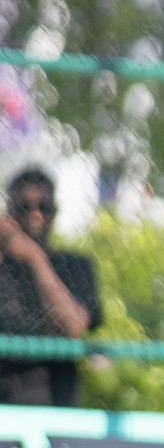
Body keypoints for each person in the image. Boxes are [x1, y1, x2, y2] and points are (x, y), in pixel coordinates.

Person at [0, 169, 101, 406]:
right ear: (10, 213)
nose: (35, 216)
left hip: (54, 408)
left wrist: (35, 259)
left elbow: (73, 327)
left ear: (55, 213)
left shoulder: (75, 266)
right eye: (25, 208)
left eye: (43, 208)